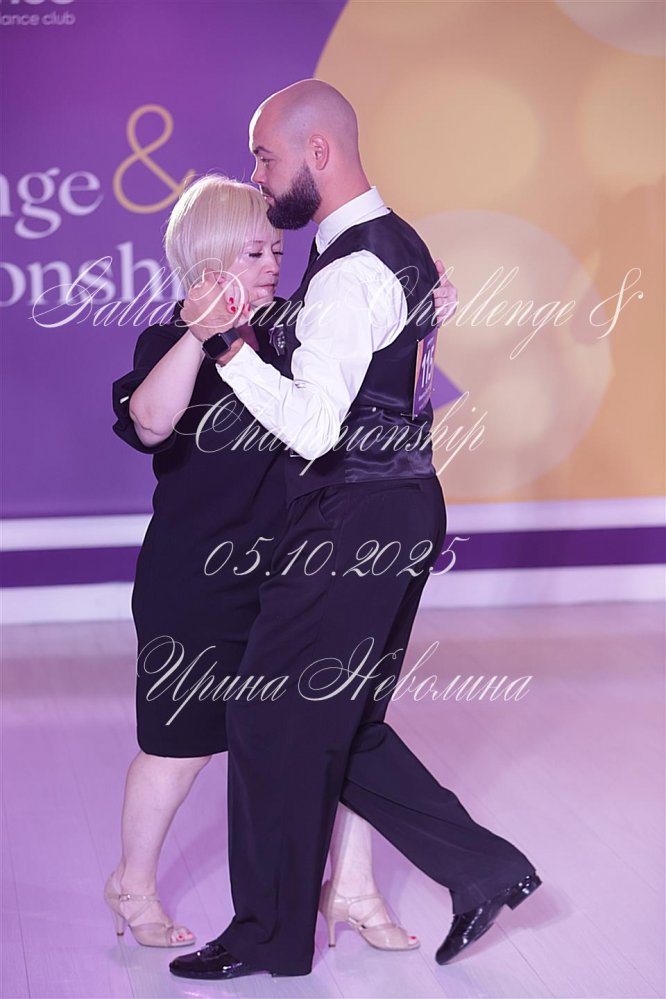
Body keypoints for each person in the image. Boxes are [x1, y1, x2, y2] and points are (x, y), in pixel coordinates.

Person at [169, 80, 540, 982]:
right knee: (339, 719)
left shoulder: (349, 269)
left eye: (266, 158)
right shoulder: (395, 244)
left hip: (355, 513)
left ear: (318, 153)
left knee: (268, 714)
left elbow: (311, 427)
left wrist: (225, 345)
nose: (259, 178)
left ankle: (268, 935)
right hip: (399, 504)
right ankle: (484, 869)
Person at [107, 174, 429, 951]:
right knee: (179, 746)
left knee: (334, 730)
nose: (273, 265)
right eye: (253, 252)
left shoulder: (292, 330)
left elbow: (364, 363)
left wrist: (421, 309)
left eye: (277, 251)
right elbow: (149, 423)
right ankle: (132, 882)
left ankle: (351, 887)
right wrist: (200, 334)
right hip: (195, 583)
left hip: (295, 577)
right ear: (208, 258)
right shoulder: (166, 342)